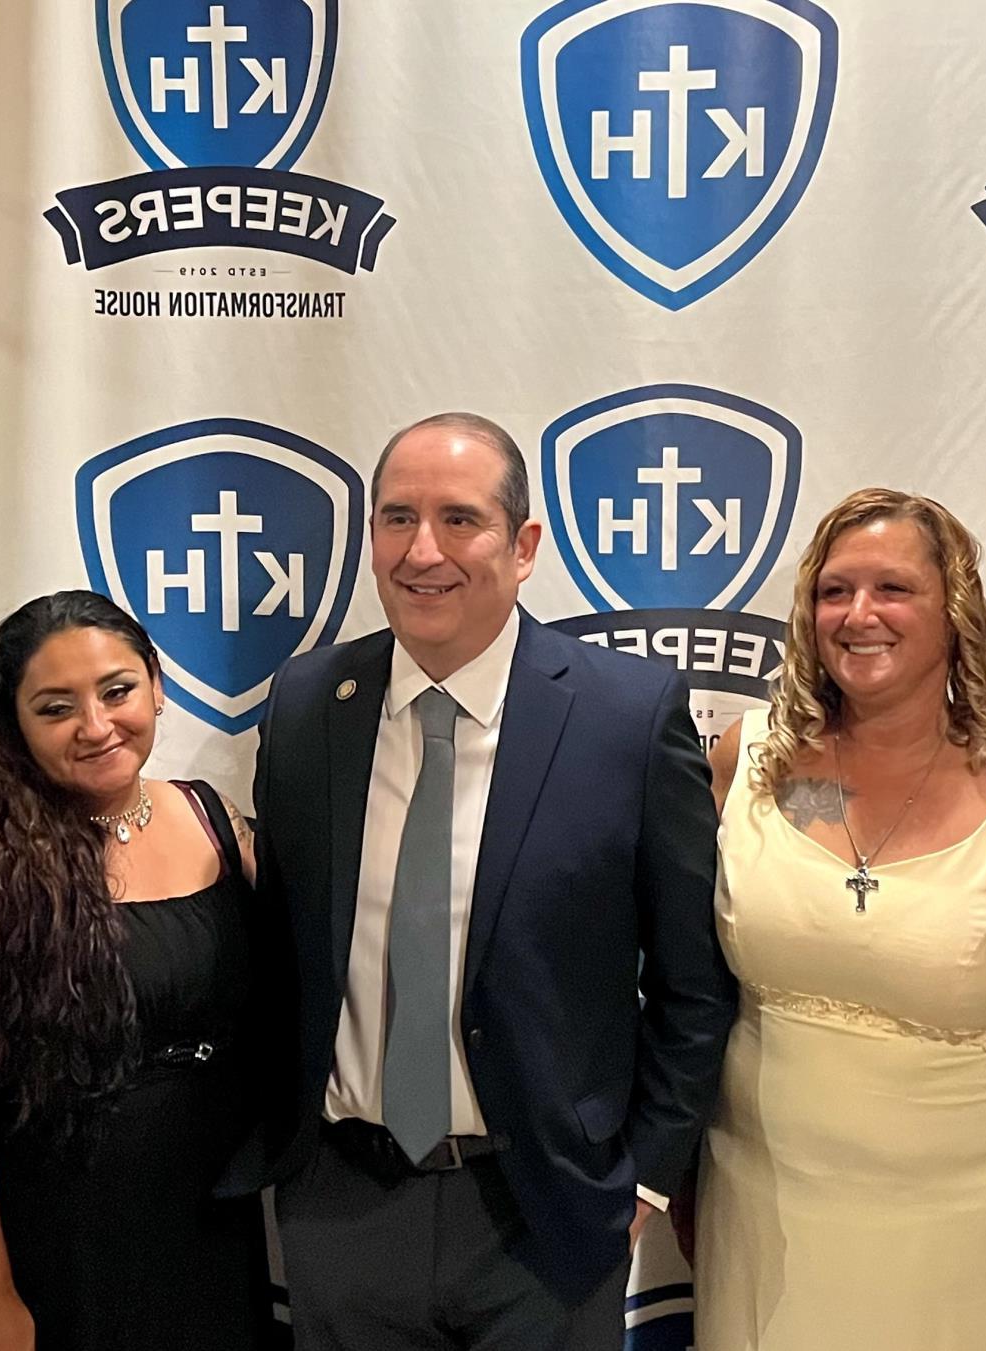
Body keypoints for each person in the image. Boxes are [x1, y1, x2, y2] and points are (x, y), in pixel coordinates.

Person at [236, 411, 735, 1349]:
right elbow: (283, 942)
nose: (423, 550)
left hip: (544, 1216)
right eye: (396, 519)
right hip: (344, 1208)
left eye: (459, 519)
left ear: (524, 544)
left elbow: (693, 982)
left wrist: (643, 1176)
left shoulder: (626, 717)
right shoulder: (308, 704)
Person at [690, 488, 986, 1350]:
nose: (858, 614)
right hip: (760, 1235)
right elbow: (685, 1000)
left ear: (954, 612)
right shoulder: (749, 762)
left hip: (965, 1252)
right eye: (834, 590)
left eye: (894, 589)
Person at [0, 591, 277, 1351]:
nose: (97, 726)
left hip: (215, 1218)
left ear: (158, 686)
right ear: (15, 727)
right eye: (56, 706)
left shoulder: (214, 818)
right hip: (66, 1242)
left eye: (117, 690)